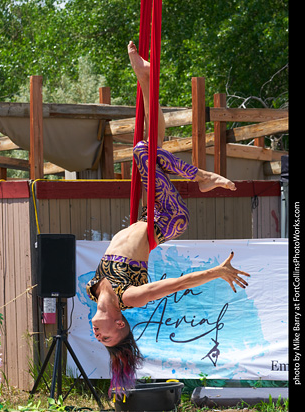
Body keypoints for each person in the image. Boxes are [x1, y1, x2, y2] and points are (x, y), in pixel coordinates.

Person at [86, 41, 250, 397]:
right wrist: (217, 272)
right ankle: (203, 177)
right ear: (120, 323)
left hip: (147, 216)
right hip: (168, 220)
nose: (99, 336)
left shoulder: (91, 289)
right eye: (109, 335)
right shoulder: (132, 298)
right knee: (144, 152)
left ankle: (147, 80)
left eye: (99, 339)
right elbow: (177, 284)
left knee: (152, 145)